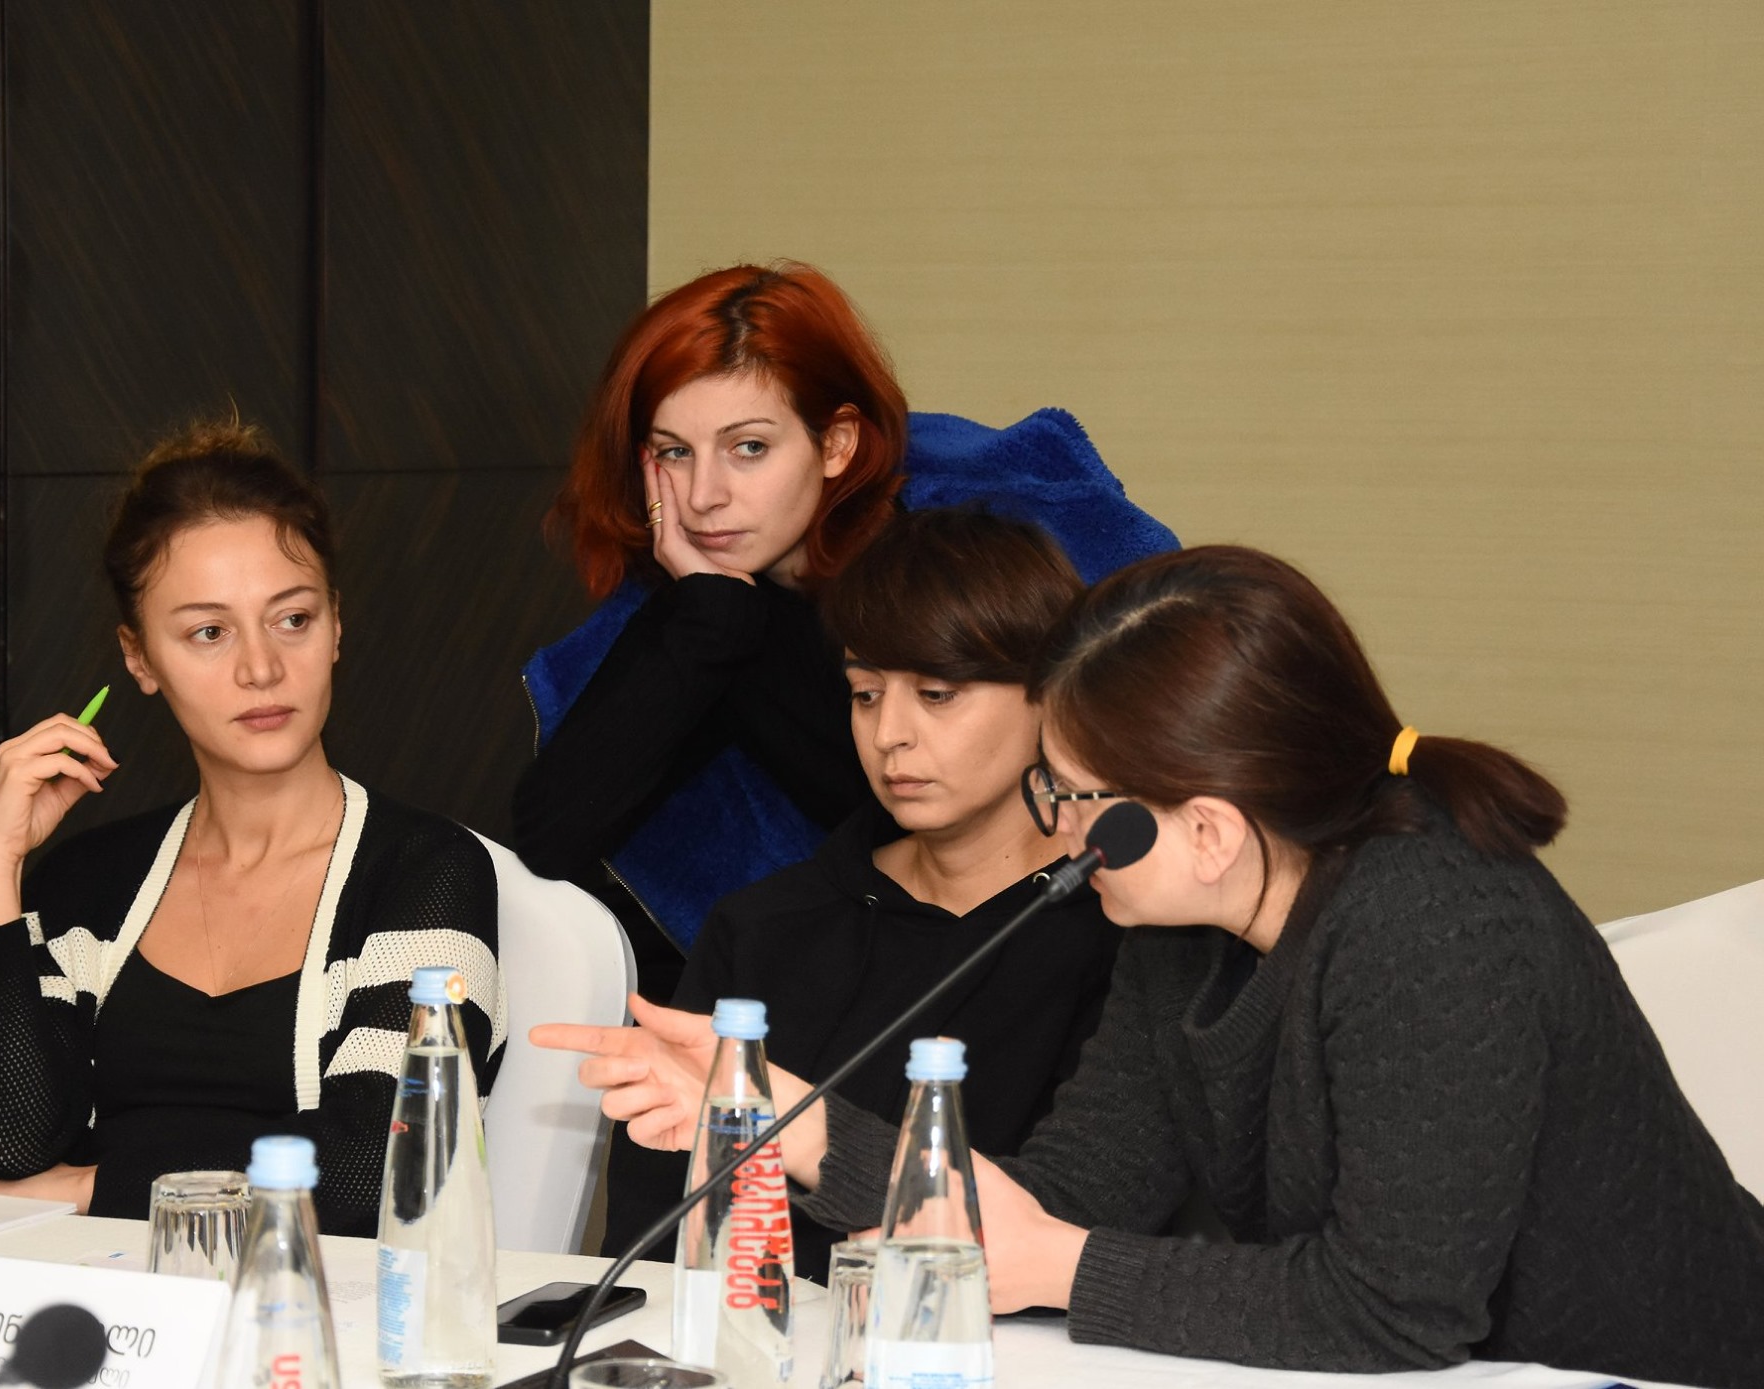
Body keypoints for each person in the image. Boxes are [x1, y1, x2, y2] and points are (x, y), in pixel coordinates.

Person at [540, 545, 1764, 1387]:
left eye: (1075, 799)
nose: (1058, 832)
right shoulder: (1179, 927)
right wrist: (790, 1122)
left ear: (1209, 829)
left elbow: (1392, 1308)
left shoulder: (1435, 923)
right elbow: (1070, 1196)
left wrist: (1059, 1265)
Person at [516, 262, 1176, 995]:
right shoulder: (709, 609)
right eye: (675, 452)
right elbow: (549, 840)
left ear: (835, 445)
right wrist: (709, 616)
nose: (703, 497)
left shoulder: (962, 553)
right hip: (879, 956)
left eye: (748, 448)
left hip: (1067, 939)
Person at [0, 421, 502, 1239]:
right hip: (102, 1305)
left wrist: (93, 1185)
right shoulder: (89, 882)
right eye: (209, 632)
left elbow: (375, 1167)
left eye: (293, 618)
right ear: (140, 658)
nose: (261, 668)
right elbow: (8, 1145)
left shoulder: (428, 871)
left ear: (338, 623)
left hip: (319, 1307)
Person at [599, 509, 1124, 1281]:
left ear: (1052, 694)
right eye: (866, 693)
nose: (889, 735)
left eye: (936, 693)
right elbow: (651, 1243)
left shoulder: (1122, 930)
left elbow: (1075, 1226)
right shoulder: (765, 926)